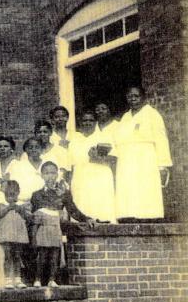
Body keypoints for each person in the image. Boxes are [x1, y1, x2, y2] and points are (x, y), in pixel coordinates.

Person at [114, 86, 172, 221]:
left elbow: (161, 139)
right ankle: (130, 217)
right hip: (127, 159)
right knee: (129, 189)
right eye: (130, 97)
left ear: (143, 97)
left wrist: (163, 165)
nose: (133, 99)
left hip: (146, 157)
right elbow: (118, 139)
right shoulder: (125, 117)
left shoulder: (152, 114)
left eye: (136, 96)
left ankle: (148, 218)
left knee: (146, 187)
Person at [30, 161, 92, 287]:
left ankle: (53, 280)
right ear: (41, 175)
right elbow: (35, 215)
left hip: (56, 229)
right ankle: (38, 279)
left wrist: (87, 219)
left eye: (53, 173)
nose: (50, 176)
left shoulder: (64, 193)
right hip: (42, 230)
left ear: (57, 174)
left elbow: (73, 210)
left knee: (55, 254)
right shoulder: (37, 195)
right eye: (46, 173)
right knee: (41, 255)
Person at [67, 110, 116, 222]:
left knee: (101, 212)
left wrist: (97, 157)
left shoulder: (105, 136)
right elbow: (71, 165)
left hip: (100, 180)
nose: (88, 123)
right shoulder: (75, 140)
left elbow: (114, 159)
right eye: (85, 120)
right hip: (80, 180)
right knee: (82, 208)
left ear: (96, 122)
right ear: (80, 122)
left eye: (91, 120)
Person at [0, 180, 31, 288]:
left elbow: (28, 217)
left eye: (13, 194)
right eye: (8, 194)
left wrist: (20, 209)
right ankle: (7, 280)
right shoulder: (1, 205)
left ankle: (18, 279)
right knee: (7, 256)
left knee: (17, 256)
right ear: (4, 194)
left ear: (18, 193)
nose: (11, 197)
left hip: (18, 236)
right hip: (6, 235)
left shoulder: (22, 205)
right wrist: (8, 207)